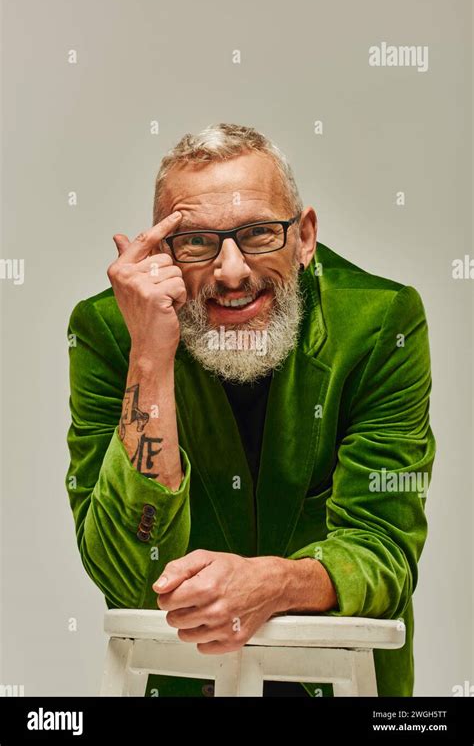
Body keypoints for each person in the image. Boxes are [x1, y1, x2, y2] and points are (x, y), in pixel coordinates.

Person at [65, 123, 436, 697]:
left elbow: (383, 553)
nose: (231, 270)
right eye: (196, 242)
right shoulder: (110, 332)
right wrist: (149, 356)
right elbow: (125, 574)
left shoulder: (381, 323)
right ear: (162, 254)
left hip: (337, 684)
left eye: (260, 233)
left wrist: (277, 583)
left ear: (305, 237)